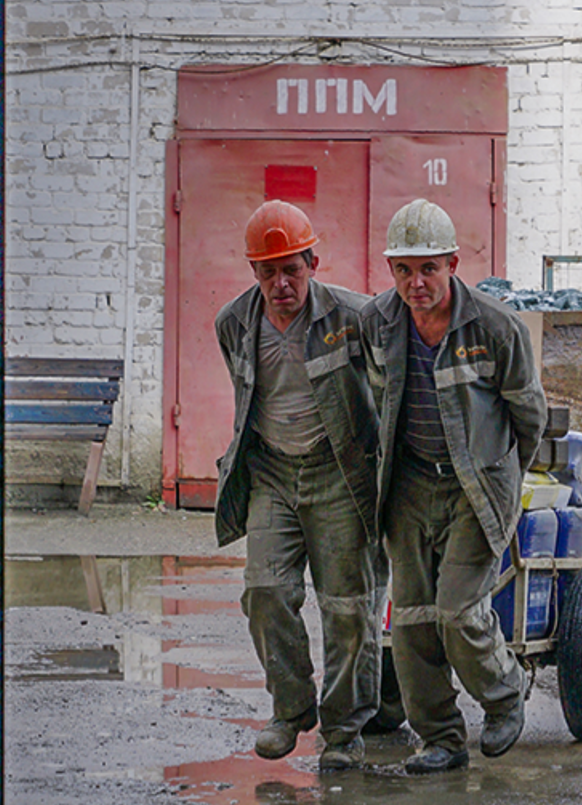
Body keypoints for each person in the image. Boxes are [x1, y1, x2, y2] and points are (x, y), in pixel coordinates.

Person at [360, 199, 547, 774]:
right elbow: (374, 400)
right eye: (403, 271)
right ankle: (440, 737)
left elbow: (529, 416)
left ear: (453, 263)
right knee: (413, 616)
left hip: (477, 487)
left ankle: (503, 693)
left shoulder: (496, 328)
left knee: (458, 609)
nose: (416, 284)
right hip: (410, 485)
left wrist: (501, 477)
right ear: (391, 269)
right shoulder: (378, 323)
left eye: (429, 269)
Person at [214, 200, 381, 772]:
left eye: (292, 268)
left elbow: (390, 383)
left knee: (347, 607)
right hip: (271, 475)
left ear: (314, 260)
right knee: (264, 592)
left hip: (337, 474)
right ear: (252, 271)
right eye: (268, 271)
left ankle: (342, 731)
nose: (281, 283)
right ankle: (291, 710)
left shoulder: (354, 318)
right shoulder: (234, 324)